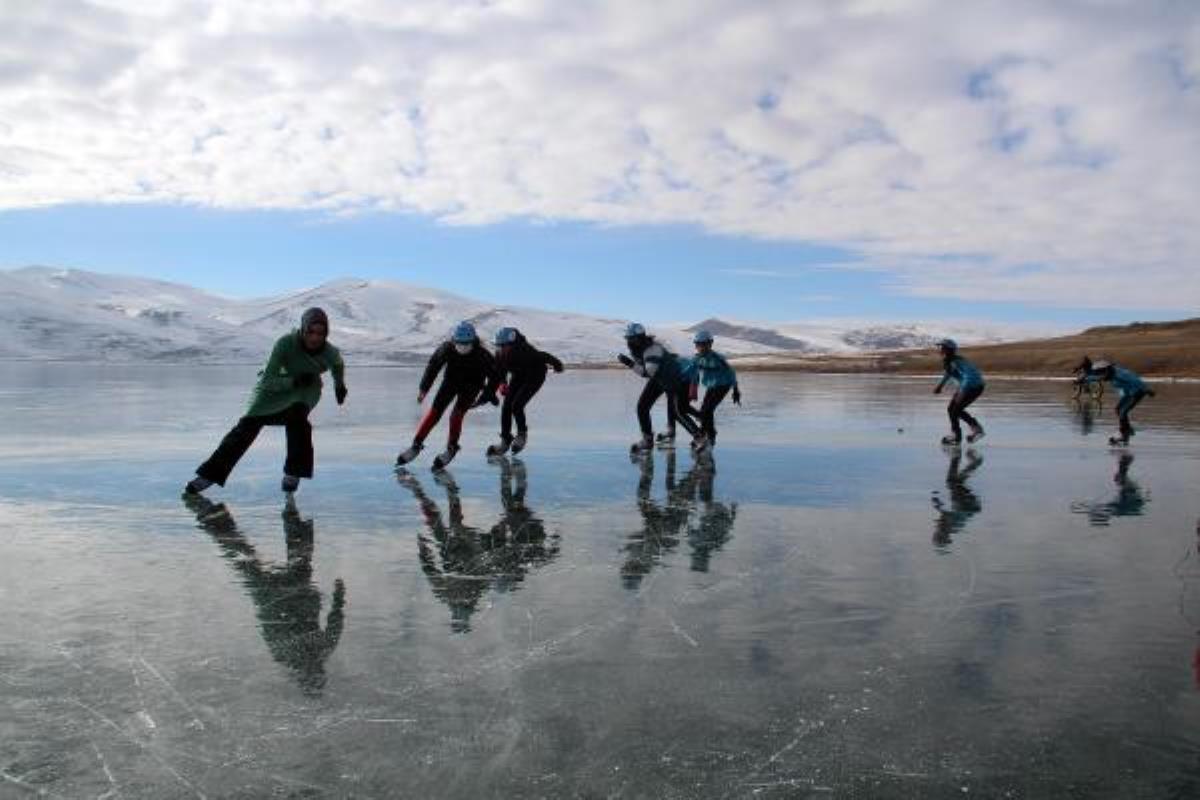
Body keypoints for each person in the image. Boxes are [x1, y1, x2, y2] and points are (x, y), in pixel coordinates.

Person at [185, 307, 347, 495]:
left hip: (304, 391)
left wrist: (339, 385)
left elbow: (337, 365)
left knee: (299, 420)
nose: (315, 338)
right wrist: (292, 381)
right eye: (311, 332)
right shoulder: (285, 343)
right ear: (303, 329)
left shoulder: (330, 352)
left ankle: (294, 472)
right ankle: (209, 475)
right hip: (273, 389)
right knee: (246, 427)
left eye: (321, 333)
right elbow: (267, 379)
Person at [395, 321, 499, 470]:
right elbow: (433, 367)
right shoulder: (446, 348)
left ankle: (452, 448)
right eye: (459, 343)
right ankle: (416, 445)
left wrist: (487, 396)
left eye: (466, 343)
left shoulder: (482, 354)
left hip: (472, 385)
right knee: (434, 412)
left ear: (473, 342)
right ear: (454, 341)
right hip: (450, 382)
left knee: (456, 415)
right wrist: (424, 389)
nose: (462, 347)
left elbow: (495, 377)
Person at [617, 323, 703, 455]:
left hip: (675, 379)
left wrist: (629, 363)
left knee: (678, 412)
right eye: (627, 339)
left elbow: (647, 373)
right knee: (642, 407)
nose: (629, 342)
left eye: (631, 339)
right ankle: (648, 439)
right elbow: (648, 370)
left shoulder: (652, 350)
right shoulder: (640, 349)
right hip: (660, 379)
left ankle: (700, 437)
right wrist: (632, 362)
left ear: (639, 338)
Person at [485, 327, 564, 457]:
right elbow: (500, 370)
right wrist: (503, 383)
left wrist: (558, 365)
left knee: (517, 405)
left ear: (512, 344)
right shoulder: (499, 353)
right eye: (498, 346)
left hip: (535, 374)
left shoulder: (524, 350)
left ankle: (521, 435)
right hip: (519, 375)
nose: (501, 348)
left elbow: (543, 356)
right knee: (506, 408)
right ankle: (505, 440)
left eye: (504, 346)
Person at [1077, 360, 1155, 446]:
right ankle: (1127, 430)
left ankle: (1124, 433)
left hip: (1137, 392)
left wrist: (1147, 389)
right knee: (1118, 410)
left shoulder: (1121, 375)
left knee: (1123, 412)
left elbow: (1135, 380)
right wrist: (1084, 379)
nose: (1102, 376)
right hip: (1128, 393)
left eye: (1103, 373)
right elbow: (1097, 377)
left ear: (1107, 370)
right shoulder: (1109, 373)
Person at [688, 330, 741, 450]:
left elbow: (731, 373)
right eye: (698, 345)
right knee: (704, 410)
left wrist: (736, 389)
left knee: (707, 410)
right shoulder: (697, 358)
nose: (701, 348)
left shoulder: (718, 358)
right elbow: (688, 370)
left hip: (723, 386)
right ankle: (710, 434)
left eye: (704, 344)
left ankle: (707, 437)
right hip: (711, 386)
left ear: (710, 344)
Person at [933, 338, 985, 446]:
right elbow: (949, 373)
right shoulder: (950, 360)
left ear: (949, 349)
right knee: (952, 409)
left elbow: (970, 375)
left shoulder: (956, 361)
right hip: (968, 386)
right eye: (940, 347)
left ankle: (969, 431)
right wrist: (940, 386)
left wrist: (963, 390)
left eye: (942, 348)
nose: (940, 350)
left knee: (955, 409)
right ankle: (960, 433)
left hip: (973, 386)